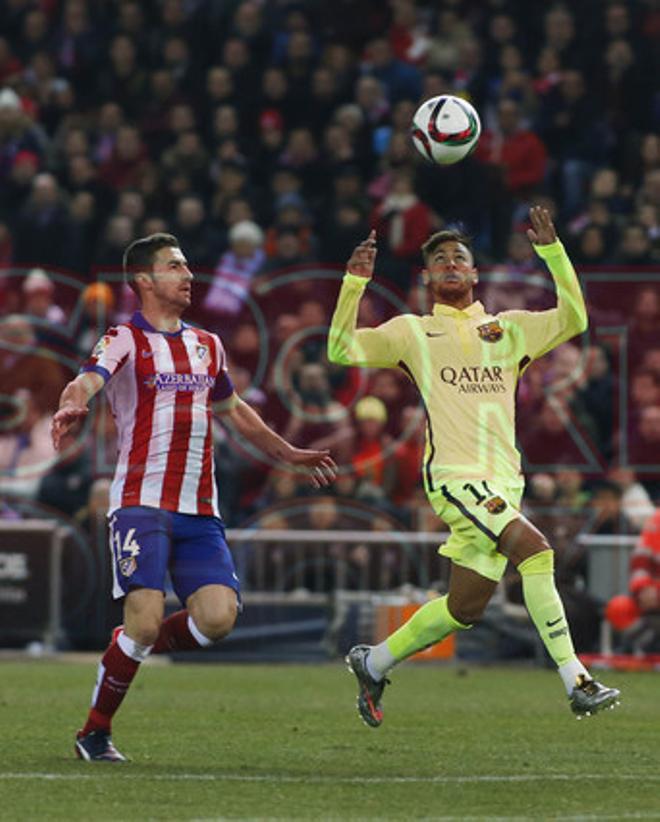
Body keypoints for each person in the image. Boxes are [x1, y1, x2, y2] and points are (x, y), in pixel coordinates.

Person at [328, 206, 620, 725]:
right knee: (536, 551)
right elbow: (342, 347)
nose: (449, 263)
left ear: (475, 272)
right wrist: (354, 284)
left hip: (505, 481)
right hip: (455, 479)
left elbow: (575, 317)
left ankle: (372, 662)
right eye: (439, 258)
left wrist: (552, 252)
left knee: (464, 607)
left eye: (458, 256)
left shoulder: (509, 330)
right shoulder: (412, 332)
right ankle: (577, 679)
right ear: (427, 278)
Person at [51, 232, 337, 762]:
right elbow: (86, 381)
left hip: (200, 509)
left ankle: (128, 648)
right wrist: (72, 406)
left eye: (187, 265)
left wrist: (287, 452)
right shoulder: (123, 338)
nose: (188, 275)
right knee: (142, 620)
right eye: (175, 266)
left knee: (218, 619)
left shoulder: (208, 344)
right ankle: (94, 731)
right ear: (144, 279)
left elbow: (234, 412)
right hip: (141, 502)